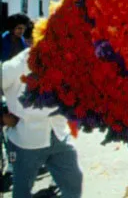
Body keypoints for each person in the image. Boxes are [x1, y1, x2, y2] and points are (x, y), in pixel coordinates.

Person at [2, 48, 83, 198]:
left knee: (74, 184)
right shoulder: (14, 67)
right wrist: (2, 117)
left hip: (59, 136)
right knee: (22, 191)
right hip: (27, 143)